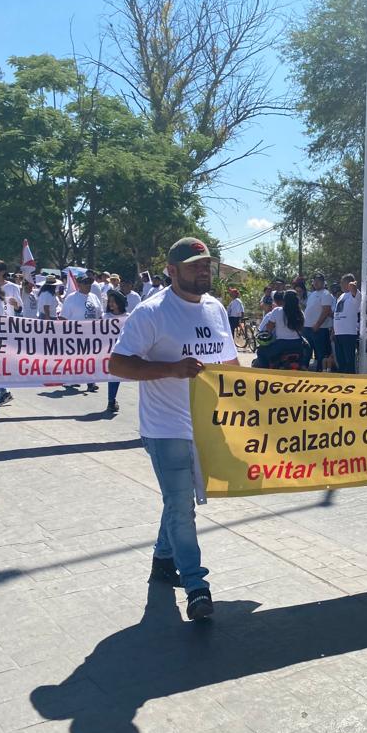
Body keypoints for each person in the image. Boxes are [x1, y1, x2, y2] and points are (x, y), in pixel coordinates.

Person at [110, 237, 238, 621]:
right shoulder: (152, 313)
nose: (203, 270)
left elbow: (230, 364)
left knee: (176, 501)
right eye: (194, 264)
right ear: (172, 270)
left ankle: (163, 560)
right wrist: (171, 369)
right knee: (182, 506)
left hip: (207, 427)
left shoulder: (216, 308)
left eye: (206, 264)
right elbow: (117, 365)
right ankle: (197, 586)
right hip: (166, 429)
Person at [60, 273, 103, 392]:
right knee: (75, 358)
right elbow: (63, 318)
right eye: (85, 283)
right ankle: (69, 380)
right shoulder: (71, 298)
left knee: (91, 359)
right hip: (75, 334)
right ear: (78, 284)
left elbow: (99, 315)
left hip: (92, 334)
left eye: (90, 283)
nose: (88, 285)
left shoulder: (94, 297)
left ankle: (91, 382)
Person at [257, 289, 306, 368]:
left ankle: (265, 373)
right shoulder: (300, 313)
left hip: (281, 345)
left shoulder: (277, 311)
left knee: (261, 352)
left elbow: (269, 328)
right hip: (298, 345)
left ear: (284, 300)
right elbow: (302, 329)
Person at [302, 273, 334, 371]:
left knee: (321, 353)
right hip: (307, 328)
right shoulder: (312, 294)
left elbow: (326, 310)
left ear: (323, 282)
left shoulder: (326, 294)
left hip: (320, 328)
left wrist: (317, 324)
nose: (316, 283)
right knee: (306, 351)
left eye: (319, 281)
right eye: (314, 281)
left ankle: (320, 372)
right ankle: (305, 370)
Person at [104, 290, 128, 413]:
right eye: (109, 302)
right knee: (112, 376)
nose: (111, 304)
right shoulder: (105, 317)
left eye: (114, 302)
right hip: (107, 351)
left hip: (122, 351)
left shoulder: (128, 317)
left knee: (116, 376)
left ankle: (111, 400)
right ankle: (111, 401)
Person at [332, 273, 360, 374]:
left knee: (349, 361)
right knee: (341, 361)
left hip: (349, 333)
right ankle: (342, 382)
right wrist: (334, 331)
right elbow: (336, 314)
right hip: (338, 334)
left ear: (349, 284)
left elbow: (354, 290)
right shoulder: (341, 296)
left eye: (343, 283)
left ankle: (351, 382)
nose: (341, 285)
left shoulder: (356, 294)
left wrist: (353, 285)